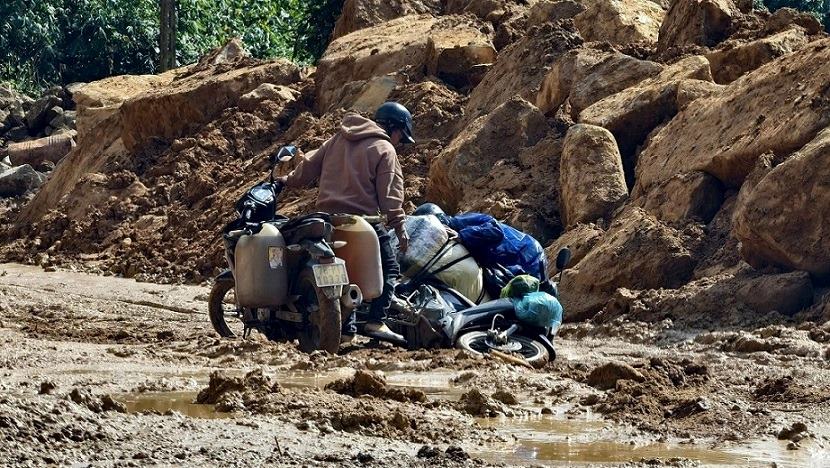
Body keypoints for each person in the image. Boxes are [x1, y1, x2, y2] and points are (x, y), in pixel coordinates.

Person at [278, 102, 414, 343]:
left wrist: (284, 180)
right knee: (390, 267)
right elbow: (390, 195)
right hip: (361, 223)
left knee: (345, 273)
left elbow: (307, 168)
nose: (398, 143)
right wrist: (399, 226)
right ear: (394, 129)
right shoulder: (384, 149)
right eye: (400, 137)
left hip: (327, 221)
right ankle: (376, 321)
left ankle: (346, 330)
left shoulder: (337, 139)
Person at [413, 203, 548, 281]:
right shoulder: (450, 238)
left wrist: (463, 235)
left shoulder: (459, 222)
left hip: (526, 255)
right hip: (509, 261)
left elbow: (495, 231)